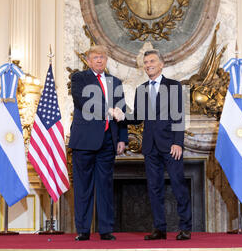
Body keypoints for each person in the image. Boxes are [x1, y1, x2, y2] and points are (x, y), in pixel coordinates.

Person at [112, 49, 192, 240]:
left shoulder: (174, 86)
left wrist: (178, 143)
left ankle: (186, 227)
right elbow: (138, 117)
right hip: (149, 147)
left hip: (171, 146)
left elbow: (179, 117)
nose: (148, 65)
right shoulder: (141, 89)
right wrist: (123, 117)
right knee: (154, 188)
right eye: (146, 62)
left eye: (152, 61)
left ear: (161, 64)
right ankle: (159, 229)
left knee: (179, 185)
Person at [68, 45, 128, 241]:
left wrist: (122, 138)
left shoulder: (115, 82)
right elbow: (82, 102)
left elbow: (120, 112)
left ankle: (105, 230)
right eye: (95, 57)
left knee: (105, 187)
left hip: (108, 143)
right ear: (88, 60)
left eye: (102, 57)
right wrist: (107, 111)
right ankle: (83, 231)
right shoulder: (79, 78)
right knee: (83, 187)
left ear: (106, 59)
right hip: (84, 142)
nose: (99, 60)